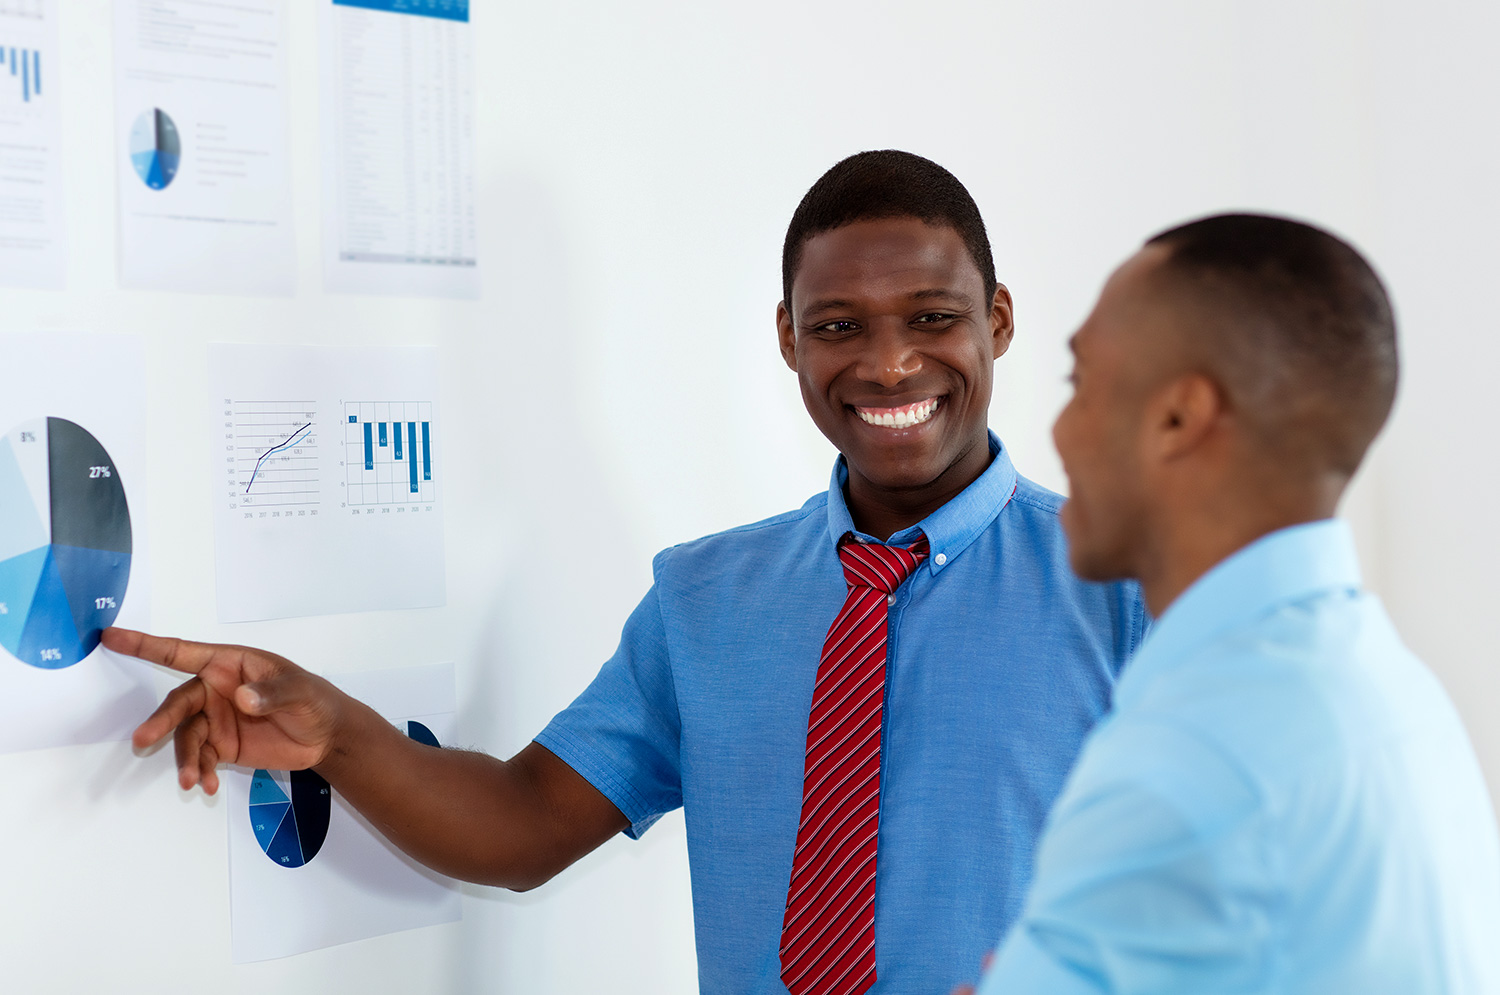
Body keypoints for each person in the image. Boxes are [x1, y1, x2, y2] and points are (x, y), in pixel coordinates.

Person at [107, 150, 1146, 994]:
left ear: (997, 318)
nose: (887, 364)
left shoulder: (1125, 585)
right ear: (788, 339)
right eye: (838, 326)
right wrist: (339, 731)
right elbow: (523, 822)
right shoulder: (706, 599)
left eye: (932, 316)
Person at [969, 214, 1500, 993]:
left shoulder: (1189, 757)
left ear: (1179, 418)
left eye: (1079, 383)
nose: (1057, 427)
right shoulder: (1398, 696)